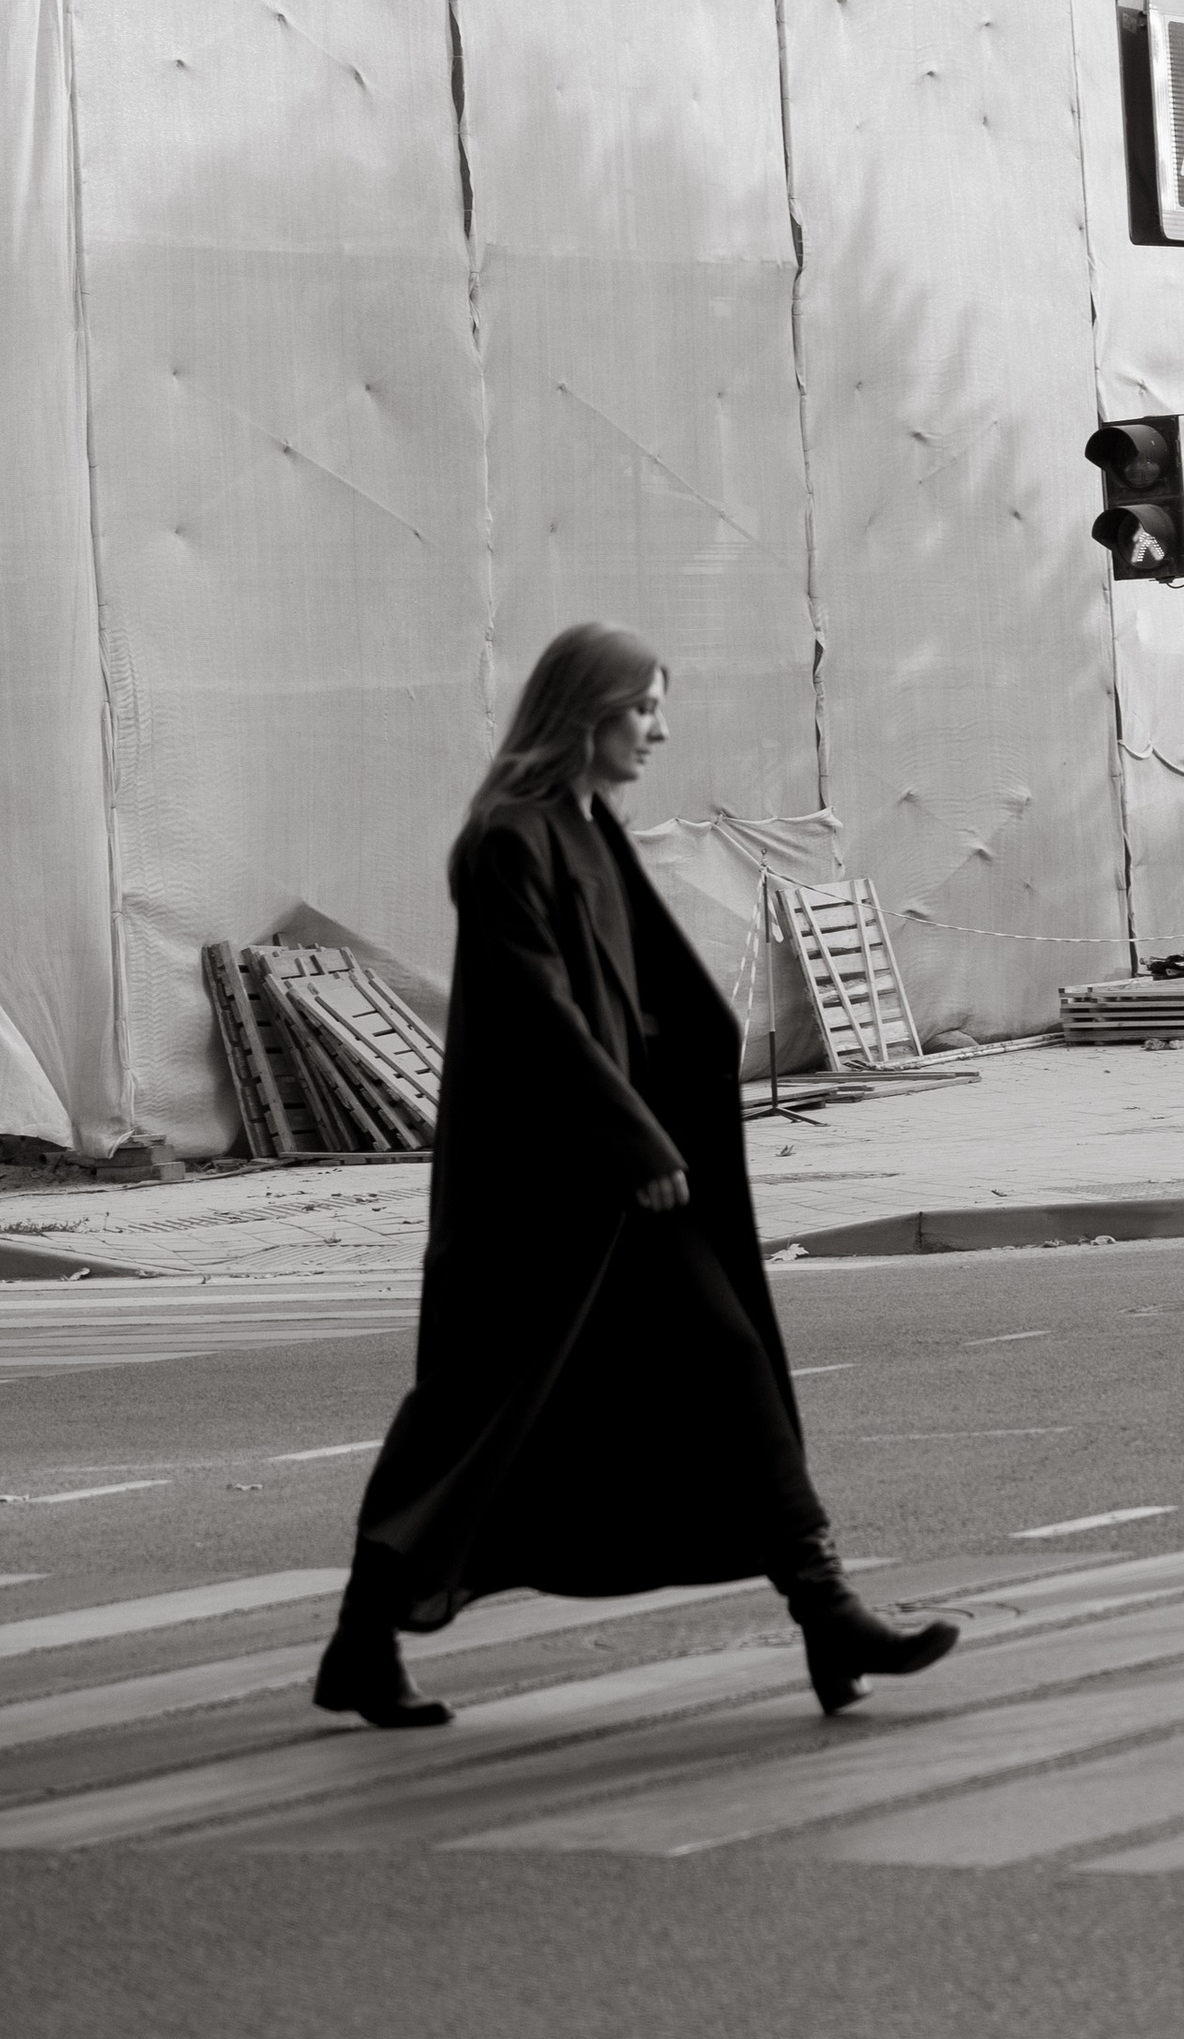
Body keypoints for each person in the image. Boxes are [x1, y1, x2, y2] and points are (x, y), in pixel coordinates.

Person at [315, 622, 961, 1729]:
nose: (660, 732)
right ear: (586, 713)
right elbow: (539, 1019)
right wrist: (642, 1143)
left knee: (728, 1359)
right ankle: (362, 1647)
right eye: (644, 710)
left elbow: (639, 1001)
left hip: (616, 1184)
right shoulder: (507, 840)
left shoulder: (582, 824)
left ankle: (826, 1613)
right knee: (467, 1417)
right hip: (541, 1196)